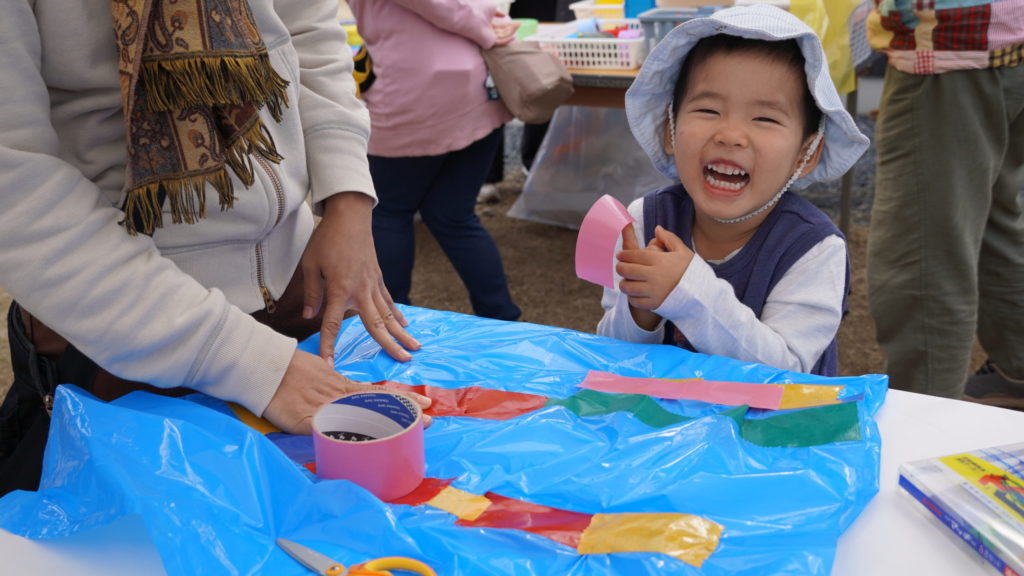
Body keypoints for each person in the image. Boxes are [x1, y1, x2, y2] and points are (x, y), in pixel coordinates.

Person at [0, 0, 430, 495]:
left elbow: (308, 24)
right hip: (124, 328)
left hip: (296, 289)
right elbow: (16, 184)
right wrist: (246, 359)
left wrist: (348, 200)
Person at [597, 5, 869, 376]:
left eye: (764, 118)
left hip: (770, 432)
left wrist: (688, 290)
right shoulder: (644, 221)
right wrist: (639, 312)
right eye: (708, 110)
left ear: (807, 153)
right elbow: (612, 354)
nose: (730, 135)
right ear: (669, 131)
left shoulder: (813, 249)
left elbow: (785, 371)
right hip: (666, 427)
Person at [865, 0, 1024, 403]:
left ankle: (925, 420)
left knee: (922, 256)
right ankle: (1018, 373)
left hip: (950, 41)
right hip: (1004, 37)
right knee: (992, 220)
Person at [348, 0, 523, 322]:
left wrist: (485, 28)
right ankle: (501, 317)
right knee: (453, 216)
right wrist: (490, 21)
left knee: (390, 211)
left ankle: (392, 319)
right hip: (475, 88)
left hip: (413, 93)